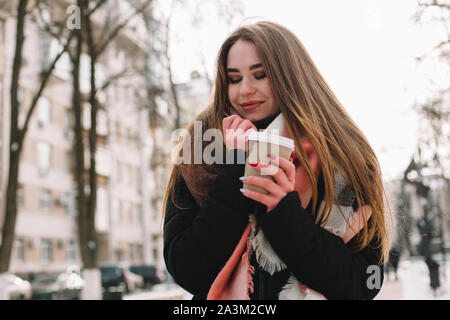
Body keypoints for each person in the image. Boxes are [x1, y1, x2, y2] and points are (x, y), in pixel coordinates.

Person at [163, 21, 391, 300]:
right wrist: (238, 167)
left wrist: (283, 213)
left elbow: (364, 283)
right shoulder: (199, 148)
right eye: (234, 78)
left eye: (260, 75)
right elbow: (188, 271)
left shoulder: (344, 155)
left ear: (290, 76)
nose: (245, 89)